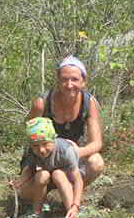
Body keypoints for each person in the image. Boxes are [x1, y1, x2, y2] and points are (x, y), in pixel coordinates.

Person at [28, 55, 104, 186]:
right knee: (31, 190)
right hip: (45, 157)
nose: (69, 85)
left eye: (74, 79)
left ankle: (75, 190)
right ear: (58, 81)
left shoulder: (89, 102)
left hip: (73, 157)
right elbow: (31, 139)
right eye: (64, 79)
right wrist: (30, 170)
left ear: (83, 81)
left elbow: (96, 143)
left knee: (96, 162)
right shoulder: (43, 103)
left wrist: (74, 153)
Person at [10, 117, 83, 218]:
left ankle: (73, 217)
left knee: (58, 174)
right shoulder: (31, 151)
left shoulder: (66, 150)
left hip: (67, 178)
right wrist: (19, 181)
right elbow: (29, 169)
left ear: (53, 139)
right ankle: (37, 213)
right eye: (35, 146)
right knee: (42, 175)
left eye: (45, 144)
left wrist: (75, 205)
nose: (41, 150)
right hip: (48, 175)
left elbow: (78, 180)